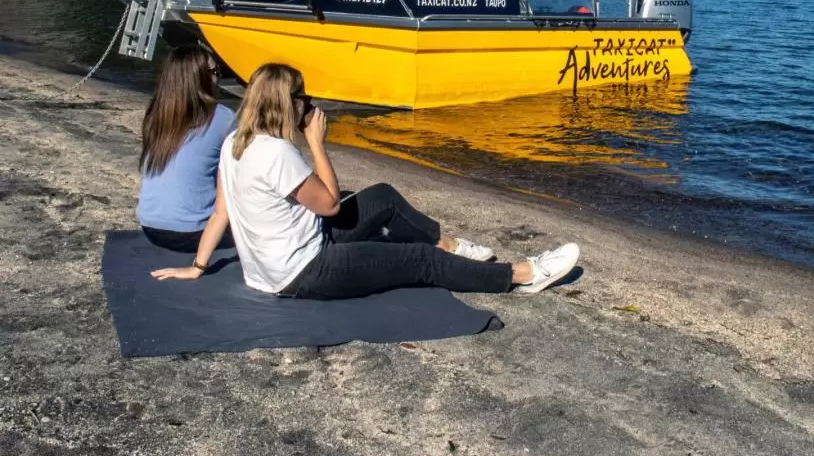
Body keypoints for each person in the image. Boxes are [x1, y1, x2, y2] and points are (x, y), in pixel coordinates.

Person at [151, 63, 580, 297]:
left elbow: (221, 213)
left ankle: (448, 244)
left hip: (273, 267)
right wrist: (317, 143)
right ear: (289, 103)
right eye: (305, 97)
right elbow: (330, 205)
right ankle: (522, 275)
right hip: (305, 272)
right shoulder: (275, 152)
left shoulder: (235, 146)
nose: (309, 104)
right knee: (417, 262)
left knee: (381, 198)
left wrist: (198, 266)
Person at [137, 45, 235, 253]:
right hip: (193, 233)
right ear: (199, 78)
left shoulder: (156, 116)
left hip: (150, 226)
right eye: (216, 72)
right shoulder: (223, 117)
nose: (219, 78)